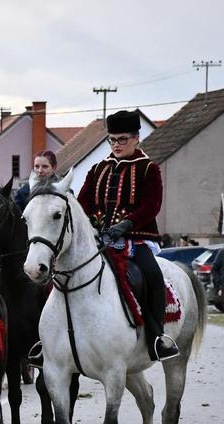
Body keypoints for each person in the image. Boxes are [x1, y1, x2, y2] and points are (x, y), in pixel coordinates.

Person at [77, 109, 178, 361]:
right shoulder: (98, 168)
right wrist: (91, 224)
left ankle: (157, 337)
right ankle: (50, 339)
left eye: (122, 139)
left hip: (135, 237)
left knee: (152, 275)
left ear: (136, 138)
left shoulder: (148, 169)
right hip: (99, 238)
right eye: (112, 139)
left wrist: (126, 225)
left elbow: (152, 205)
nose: (116, 144)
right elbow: (83, 201)